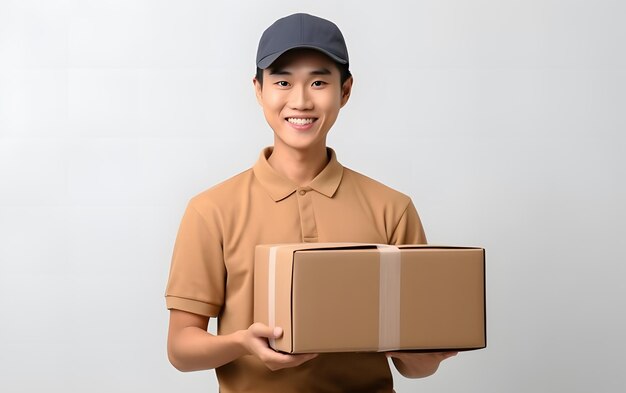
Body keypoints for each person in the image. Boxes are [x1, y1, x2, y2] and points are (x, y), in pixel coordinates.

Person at [165, 12, 457, 393]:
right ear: (258, 89)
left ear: (346, 90)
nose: (300, 100)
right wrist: (242, 344)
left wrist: (428, 355)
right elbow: (180, 348)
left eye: (319, 82)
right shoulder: (211, 210)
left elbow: (414, 368)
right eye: (283, 81)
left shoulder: (392, 208)